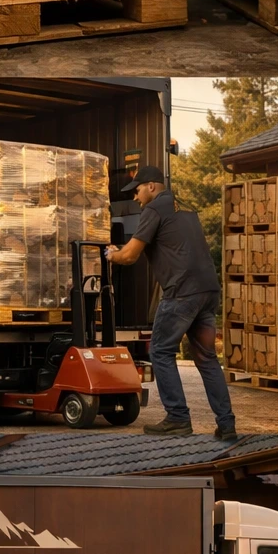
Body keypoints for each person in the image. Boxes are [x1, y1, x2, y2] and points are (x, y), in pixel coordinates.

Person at [105, 165, 238, 442]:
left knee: (160, 351)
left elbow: (130, 256)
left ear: (152, 186)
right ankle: (226, 424)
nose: (135, 197)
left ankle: (177, 418)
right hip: (208, 291)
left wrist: (112, 254)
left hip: (182, 293)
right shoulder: (186, 207)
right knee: (207, 359)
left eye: (138, 190)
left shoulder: (154, 210)